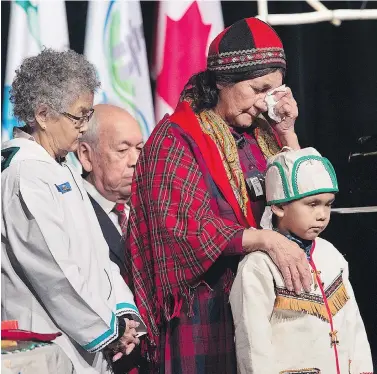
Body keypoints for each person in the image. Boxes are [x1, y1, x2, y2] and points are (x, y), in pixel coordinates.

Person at [125, 18, 313, 374]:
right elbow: (182, 229)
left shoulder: (263, 135)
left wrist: (288, 134)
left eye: (274, 92)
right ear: (223, 81)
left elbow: (304, 203)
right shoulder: (176, 138)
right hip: (205, 315)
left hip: (263, 305)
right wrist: (266, 240)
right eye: (259, 89)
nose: (264, 104)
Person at [1, 49, 145, 374]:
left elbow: (97, 253)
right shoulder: (25, 175)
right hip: (44, 345)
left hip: (87, 341)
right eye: (79, 116)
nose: (84, 126)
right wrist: (111, 329)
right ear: (42, 114)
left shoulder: (62, 165)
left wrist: (124, 313)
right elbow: (55, 274)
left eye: (88, 114)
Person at [229, 147, 373, 374]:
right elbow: (254, 346)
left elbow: (353, 325)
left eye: (328, 204)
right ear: (278, 206)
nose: (322, 214)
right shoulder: (258, 267)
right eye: (312, 204)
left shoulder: (330, 254)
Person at [77, 104, 144, 275]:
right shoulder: (71, 208)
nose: (135, 160)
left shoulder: (149, 207)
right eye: (122, 150)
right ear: (86, 155)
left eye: (140, 149)